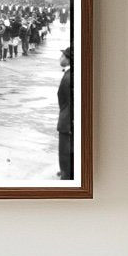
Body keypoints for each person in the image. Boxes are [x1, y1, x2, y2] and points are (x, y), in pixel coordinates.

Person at [58, 45, 74, 179]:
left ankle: (66, 174)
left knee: (65, 151)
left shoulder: (69, 77)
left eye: (63, 56)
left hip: (67, 120)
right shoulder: (69, 74)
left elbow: (63, 98)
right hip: (68, 117)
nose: (60, 58)